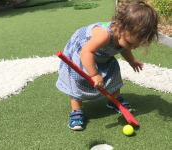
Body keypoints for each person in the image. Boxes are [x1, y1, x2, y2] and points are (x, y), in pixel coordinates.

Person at [56, 1, 159, 130]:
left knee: (113, 72)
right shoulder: (104, 35)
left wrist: (131, 60)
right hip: (84, 54)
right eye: (130, 42)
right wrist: (94, 75)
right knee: (78, 79)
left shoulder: (124, 37)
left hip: (101, 55)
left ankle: (114, 100)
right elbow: (86, 52)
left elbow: (124, 47)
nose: (132, 47)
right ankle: (76, 110)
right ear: (121, 26)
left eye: (136, 45)